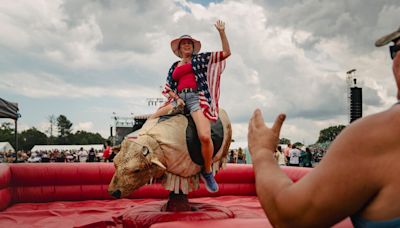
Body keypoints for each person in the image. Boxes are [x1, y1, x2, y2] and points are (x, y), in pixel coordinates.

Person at [247, 26, 400, 227]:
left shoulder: (378, 135)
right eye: (394, 51)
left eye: (395, 50)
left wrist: (262, 153)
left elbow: (289, 217)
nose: (395, 60)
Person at [149, 20, 231, 193]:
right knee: (151, 119)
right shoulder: (174, 66)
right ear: (179, 49)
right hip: (178, 100)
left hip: (195, 98)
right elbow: (168, 87)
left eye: (189, 43)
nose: (186, 45)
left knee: (205, 136)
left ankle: (207, 171)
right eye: (183, 43)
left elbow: (226, 53)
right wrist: (176, 99)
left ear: (193, 48)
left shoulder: (200, 59)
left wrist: (222, 32)